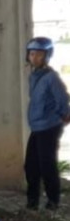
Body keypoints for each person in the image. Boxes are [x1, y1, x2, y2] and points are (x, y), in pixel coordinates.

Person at [24, 37, 70, 210]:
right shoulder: (34, 76)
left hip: (49, 127)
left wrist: (63, 116)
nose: (34, 58)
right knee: (30, 166)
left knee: (47, 165)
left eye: (39, 54)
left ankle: (53, 202)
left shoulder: (51, 77)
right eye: (32, 53)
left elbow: (63, 99)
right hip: (37, 127)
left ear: (47, 56)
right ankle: (32, 201)